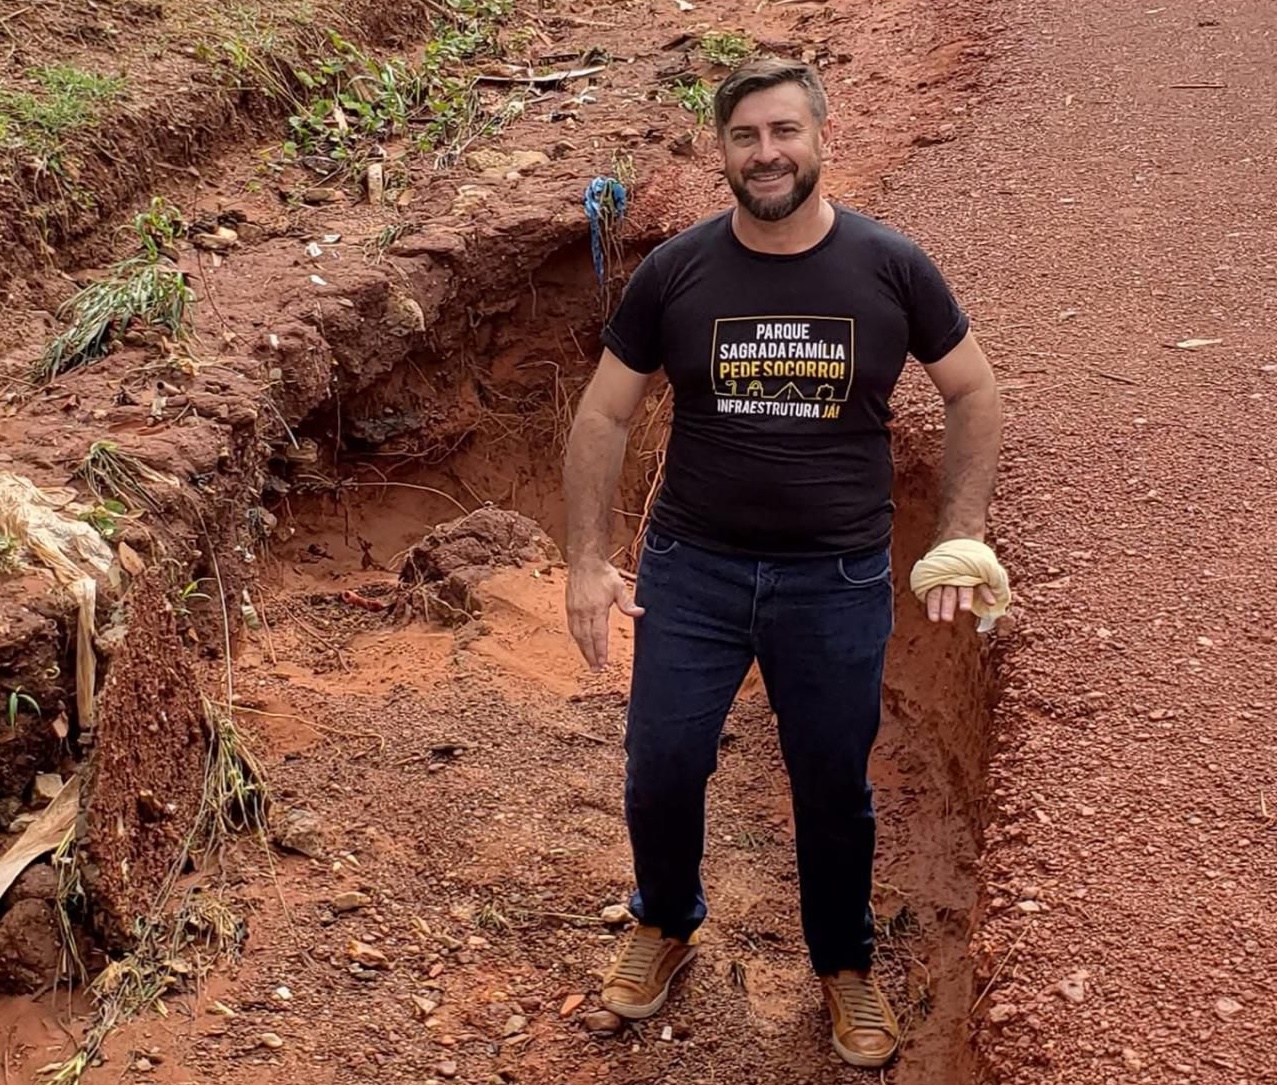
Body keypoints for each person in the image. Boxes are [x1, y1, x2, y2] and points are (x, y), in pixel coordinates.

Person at [562, 57, 1002, 1069]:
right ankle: (664, 922)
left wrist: (958, 529)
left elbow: (973, 391)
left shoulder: (890, 267)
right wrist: (586, 562)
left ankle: (842, 963)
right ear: (720, 152)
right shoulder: (676, 271)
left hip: (835, 579)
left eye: (782, 133)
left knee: (829, 783)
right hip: (693, 568)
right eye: (745, 137)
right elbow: (601, 410)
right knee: (661, 764)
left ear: (818, 138)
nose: (766, 154)